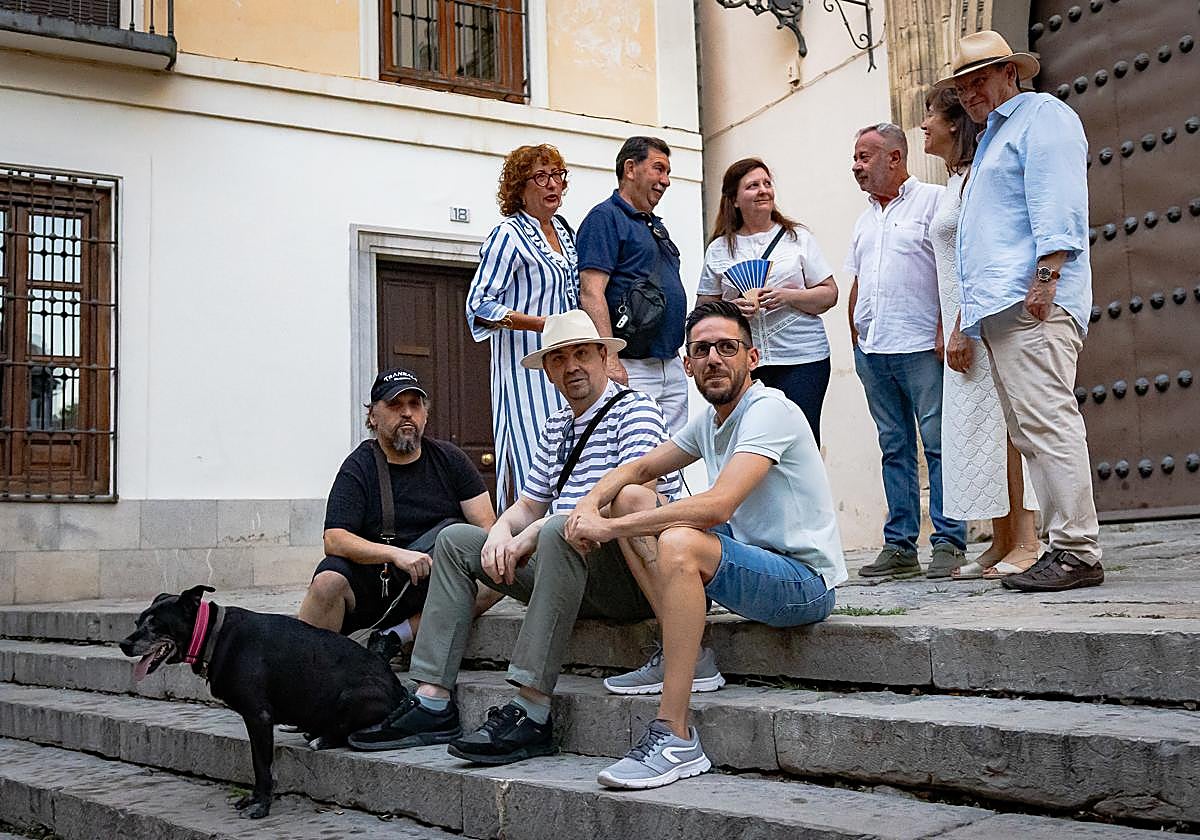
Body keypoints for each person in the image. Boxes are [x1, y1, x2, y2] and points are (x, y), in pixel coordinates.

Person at [346, 311, 689, 763]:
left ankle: (532, 709)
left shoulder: (635, 409)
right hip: (566, 571)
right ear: (547, 371)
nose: (572, 367)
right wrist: (499, 533)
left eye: (582, 354)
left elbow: (636, 500)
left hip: (627, 576)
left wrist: (539, 529)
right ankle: (431, 699)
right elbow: (528, 505)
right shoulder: (556, 426)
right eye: (559, 358)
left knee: (555, 533)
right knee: (454, 540)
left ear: (605, 358)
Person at [565, 301, 846, 790]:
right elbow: (637, 470)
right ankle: (690, 658)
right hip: (758, 567)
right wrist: (588, 507)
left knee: (678, 542)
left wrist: (608, 531)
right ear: (688, 363)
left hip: (805, 584)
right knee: (630, 499)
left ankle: (674, 735)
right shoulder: (711, 421)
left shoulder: (770, 410)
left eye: (727, 348)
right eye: (701, 350)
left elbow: (718, 506)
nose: (714, 358)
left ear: (752, 358)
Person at [944, 30, 1103, 591]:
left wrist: (1046, 278)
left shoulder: (1042, 117)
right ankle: (1063, 547)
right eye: (961, 86)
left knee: (1049, 422)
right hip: (1003, 309)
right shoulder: (996, 134)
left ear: (1011, 73)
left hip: (1032, 300)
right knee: (1030, 429)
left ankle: (1079, 550)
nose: (968, 93)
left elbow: (1056, 199)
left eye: (978, 79)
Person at [921, 87, 1041, 581]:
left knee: (1006, 431)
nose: (923, 125)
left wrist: (961, 326)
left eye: (929, 115)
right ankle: (1000, 540)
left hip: (978, 322)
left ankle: (1029, 542)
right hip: (959, 322)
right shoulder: (954, 182)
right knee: (978, 432)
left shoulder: (977, 180)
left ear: (954, 125)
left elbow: (976, 261)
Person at [297, 369, 498, 656]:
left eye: (414, 405)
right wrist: (395, 554)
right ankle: (309, 668)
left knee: (500, 571)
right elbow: (335, 539)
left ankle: (400, 635)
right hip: (375, 582)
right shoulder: (358, 466)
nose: (407, 413)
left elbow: (486, 527)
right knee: (328, 581)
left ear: (425, 416)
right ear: (373, 417)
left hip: (435, 584)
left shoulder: (451, 459)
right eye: (395, 405)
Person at [846, 122, 968, 580]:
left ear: (895, 158)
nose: (856, 166)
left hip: (922, 347)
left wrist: (947, 327)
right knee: (892, 447)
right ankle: (899, 546)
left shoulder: (934, 201)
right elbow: (857, 281)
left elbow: (952, 270)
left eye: (865, 156)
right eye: (856, 157)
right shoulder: (863, 219)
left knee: (938, 445)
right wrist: (855, 337)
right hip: (873, 350)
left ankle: (949, 541)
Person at [466, 144, 579, 511]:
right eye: (541, 177)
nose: (553, 185)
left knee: (572, 458)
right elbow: (479, 305)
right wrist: (542, 324)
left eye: (558, 176)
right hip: (524, 372)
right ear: (520, 186)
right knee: (539, 463)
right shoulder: (507, 234)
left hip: (566, 365)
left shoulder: (564, 231)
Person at [697, 157, 838, 446]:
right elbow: (703, 310)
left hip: (802, 357)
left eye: (767, 184)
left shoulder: (797, 238)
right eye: (752, 186)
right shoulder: (719, 249)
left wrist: (787, 296)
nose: (763, 190)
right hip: (743, 361)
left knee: (802, 439)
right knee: (749, 442)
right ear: (734, 199)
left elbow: (829, 294)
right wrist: (731, 309)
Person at [576, 136, 689, 433]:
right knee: (635, 456)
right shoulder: (604, 218)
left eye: (668, 173)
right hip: (631, 365)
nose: (666, 181)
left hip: (669, 362)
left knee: (671, 459)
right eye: (658, 169)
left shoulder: (655, 224)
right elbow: (591, 293)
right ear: (630, 168)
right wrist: (610, 358)